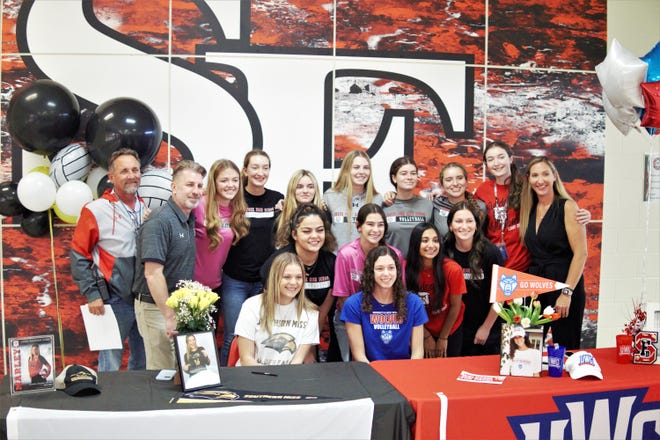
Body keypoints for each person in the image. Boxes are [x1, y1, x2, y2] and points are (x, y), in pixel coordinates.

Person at [71, 148, 146, 371]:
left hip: (143, 300)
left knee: (142, 360)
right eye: (124, 171)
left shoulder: (146, 208)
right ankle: (106, 405)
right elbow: (78, 255)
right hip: (114, 300)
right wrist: (92, 294)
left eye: (135, 169)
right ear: (111, 177)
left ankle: (138, 402)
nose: (131, 175)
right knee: (110, 362)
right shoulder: (96, 209)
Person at [133, 160, 206, 370]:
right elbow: (153, 274)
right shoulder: (160, 220)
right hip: (156, 307)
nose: (195, 191)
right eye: (189, 185)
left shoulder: (186, 217)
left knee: (178, 371)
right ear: (173, 187)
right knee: (161, 373)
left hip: (177, 306)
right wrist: (169, 315)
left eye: (199, 186)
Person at [475, 141, 590, 271]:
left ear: (511, 159)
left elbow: (553, 202)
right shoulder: (482, 190)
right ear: (486, 164)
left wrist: (582, 214)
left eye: (501, 157)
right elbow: (472, 219)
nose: (496, 163)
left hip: (525, 266)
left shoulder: (527, 185)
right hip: (494, 265)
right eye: (491, 159)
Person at [220, 150, 284, 365]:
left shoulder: (277, 199)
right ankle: (227, 377)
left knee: (261, 335)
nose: (260, 172)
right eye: (255, 167)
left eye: (265, 167)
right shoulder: (234, 198)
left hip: (263, 282)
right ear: (245, 170)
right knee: (234, 334)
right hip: (234, 280)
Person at [520, 157, 588, 349]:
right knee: (527, 350)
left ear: (554, 177)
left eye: (545, 174)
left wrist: (567, 293)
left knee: (566, 349)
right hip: (536, 286)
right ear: (529, 179)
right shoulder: (529, 209)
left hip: (563, 283)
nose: (540, 180)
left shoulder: (567, 206)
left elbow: (581, 254)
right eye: (535, 175)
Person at [261, 203, 337, 362]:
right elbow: (271, 304)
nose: (314, 236)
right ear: (294, 234)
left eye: (320, 230)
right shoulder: (278, 261)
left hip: (311, 326)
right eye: (307, 231)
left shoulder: (331, 262)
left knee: (310, 362)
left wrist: (309, 344)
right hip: (281, 326)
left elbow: (323, 310)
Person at [333, 203, 404, 361]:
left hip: (382, 320)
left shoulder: (395, 255)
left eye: (380, 225)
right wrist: (359, 326)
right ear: (359, 226)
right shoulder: (346, 254)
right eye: (370, 224)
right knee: (352, 367)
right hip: (348, 318)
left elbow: (399, 291)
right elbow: (342, 297)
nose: (375, 230)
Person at [341, 246, 428, 362]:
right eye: (380, 269)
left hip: (404, 371)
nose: (386, 274)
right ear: (370, 272)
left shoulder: (414, 303)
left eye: (391, 268)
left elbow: (417, 353)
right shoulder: (353, 304)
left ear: (397, 270)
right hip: (369, 371)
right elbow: (359, 355)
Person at [192, 159, 249, 329]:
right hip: (193, 288)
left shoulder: (237, 208)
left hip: (216, 287)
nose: (230, 185)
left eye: (235, 180)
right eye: (224, 180)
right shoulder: (199, 204)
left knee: (209, 341)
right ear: (214, 182)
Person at [235, 252, 319, 366]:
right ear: (274, 278)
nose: (294, 283)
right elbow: (246, 359)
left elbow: (297, 362)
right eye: (287, 277)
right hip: (253, 375)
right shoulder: (251, 306)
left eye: (299, 277)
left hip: (288, 378)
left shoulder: (311, 313)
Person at [444, 201, 504, 356]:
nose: (464, 226)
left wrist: (486, 328)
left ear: (477, 225)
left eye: (469, 221)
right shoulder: (443, 250)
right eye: (458, 221)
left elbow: (501, 296)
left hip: (486, 328)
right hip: (455, 328)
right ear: (450, 226)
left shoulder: (491, 253)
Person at [405, 223, 467, 357]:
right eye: (425, 241)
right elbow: (406, 307)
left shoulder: (452, 269)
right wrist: (426, 336)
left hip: (449, 329)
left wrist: (443, 338)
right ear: (415, 244)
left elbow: (455, 306)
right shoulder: (405, 269)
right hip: (419, 327)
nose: (431, 245)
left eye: (435, 240)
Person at [324, 150, 382, 250]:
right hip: (337, 260)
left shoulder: (377, 199)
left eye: (366, 168)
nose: (362, 172)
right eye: (356, 167)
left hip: (367, 260)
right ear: (346, 170)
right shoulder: (330, 196)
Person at [383, 156, 433, 257]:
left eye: (413, 173)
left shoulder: (428, 205)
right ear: (394, 178)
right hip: (392, 267)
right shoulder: (384, 204)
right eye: (404, 173)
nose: (409, 177)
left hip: (420, 267)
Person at [274, 169, 326, 249]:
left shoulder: (324, 214)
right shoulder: (280, 214)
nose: (305, 191)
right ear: (292, 189)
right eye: (299, 187)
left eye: (310, 187)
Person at [432, 162, 486, 238]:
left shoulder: (480, 207)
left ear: (466, 182)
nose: (455, 183)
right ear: (442, 185)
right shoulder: (435, 205)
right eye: (449, 180)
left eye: (459, 178)